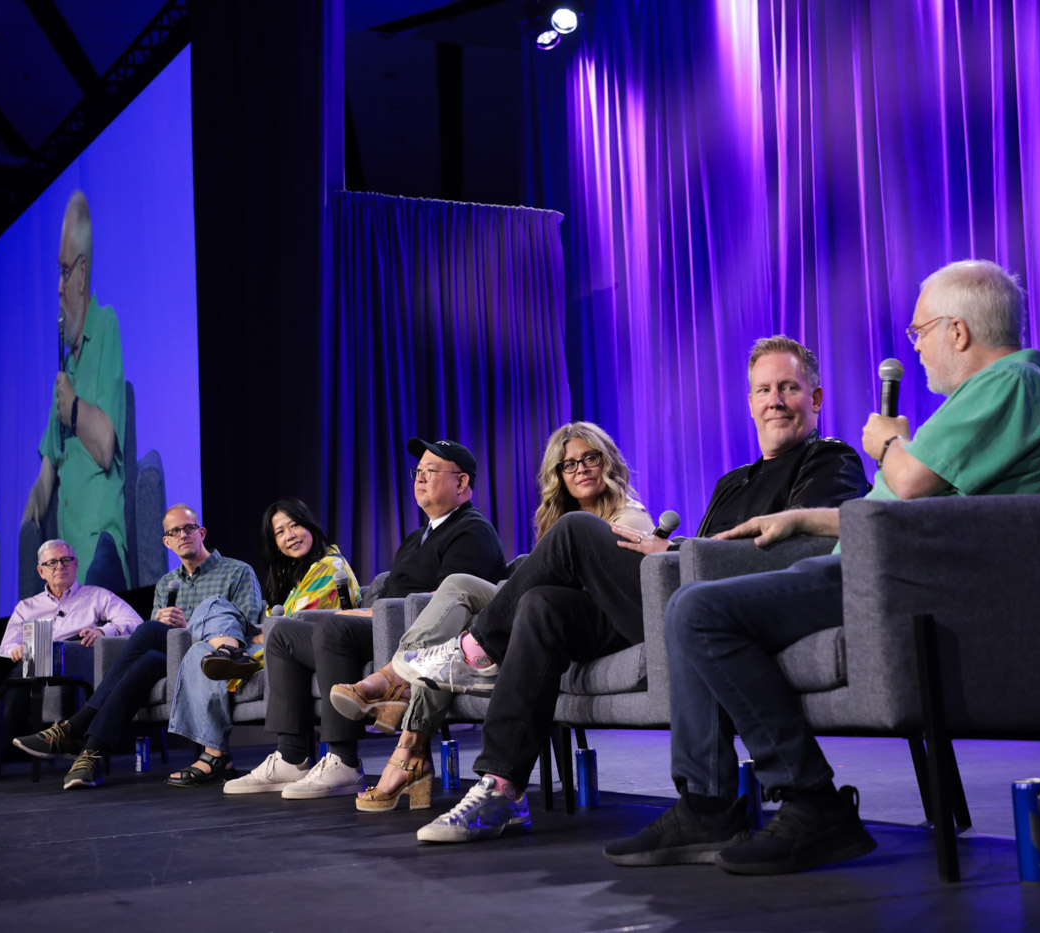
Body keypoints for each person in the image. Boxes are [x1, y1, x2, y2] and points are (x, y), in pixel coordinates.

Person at [603, 259, 1040, 875]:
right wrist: (805, 521)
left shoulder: (1011, 384)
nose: (919, 348)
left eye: (920, 332)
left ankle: (810, 803)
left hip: (909, 579)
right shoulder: (994, 395)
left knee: (699, 610)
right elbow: (893, 506)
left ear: (957, 332)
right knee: (690, 605)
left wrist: (887, 441)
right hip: (884, 563)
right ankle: (707, 805)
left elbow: (905, 486)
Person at [403, 336, 871, 843]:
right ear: (750, 402)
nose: (774, 400)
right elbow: (705, 548)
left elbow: (797, 549)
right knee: (541, 604)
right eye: (763, 390)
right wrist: (671, 551)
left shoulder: (829, 459)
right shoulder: (733, 482)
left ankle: (471, 651)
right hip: (676, 598)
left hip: (737, 607)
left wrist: (669, 553)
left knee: (576, 531)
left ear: (816, 398)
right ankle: (502, 788)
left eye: (788, 388)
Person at [333, 422, 653, 811]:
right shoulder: (556, 523)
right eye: (569, 464)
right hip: (543, 611)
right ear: (558, 475)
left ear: (609, 462)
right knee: (456, 591)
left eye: (591, 458)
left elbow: (594, 593)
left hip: (595, 618)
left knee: (456, 630)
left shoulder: (630, 517)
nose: (581, 468)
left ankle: (408, 684)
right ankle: (412, 688)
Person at [219, 438, 507, 800]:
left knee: (334, 627)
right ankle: (291, 756)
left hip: (420, 638)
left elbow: (451, 604)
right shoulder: (416, 538)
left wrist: (371, 613)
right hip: (381, 628)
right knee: (283, 635)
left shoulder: (472, 531)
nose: (418, 478)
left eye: (430, 471)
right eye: (416, 471)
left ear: (462, 482)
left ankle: (342, 761)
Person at [10, 504, 262, 789]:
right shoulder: (166, 583)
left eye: (189, 528)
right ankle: (89, 756)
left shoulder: (237, 571)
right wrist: (165, 623)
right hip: (172, 656)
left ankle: (76, 728)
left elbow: (248, 627)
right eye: (174, 531)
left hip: (214, 657)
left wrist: (185, 626)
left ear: (201, 532)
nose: (183, 535)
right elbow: (158, 633)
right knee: (149, 657)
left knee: (149, 633)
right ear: (166, 542)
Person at [161, 498, 361, 787]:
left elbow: (291, 629)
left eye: (294, 525)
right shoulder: (292, 578)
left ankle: (214, 753)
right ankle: (228, 652)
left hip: (306, 647)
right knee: (212, 612)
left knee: (203, 644)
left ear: (310, 527)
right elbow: (269, 625)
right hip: (274, 644)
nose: (289, 535)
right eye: (280, 532)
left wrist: (253, 636)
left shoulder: (329, 565)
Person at [0, 539, 142, 781]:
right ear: (41, 571)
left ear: (76, 564)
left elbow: (135, 623)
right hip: (26, 660)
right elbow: (8, 643)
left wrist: (104, 631)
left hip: (66, 663)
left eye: (65, 560)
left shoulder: (96, 596)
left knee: (28, 671)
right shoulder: (27, 606)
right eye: (52, 563)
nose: (60, 566)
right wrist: (15, 649)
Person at [21, 189, 128, 592]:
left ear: (83, 273)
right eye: (58, 274)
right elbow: (50, 467)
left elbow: (104, 448)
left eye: (66, 273)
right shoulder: (63, 369)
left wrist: (75, 408)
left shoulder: (106, 326)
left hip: (100, 545)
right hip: (65, 557)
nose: (60, 288)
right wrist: (35, 499)